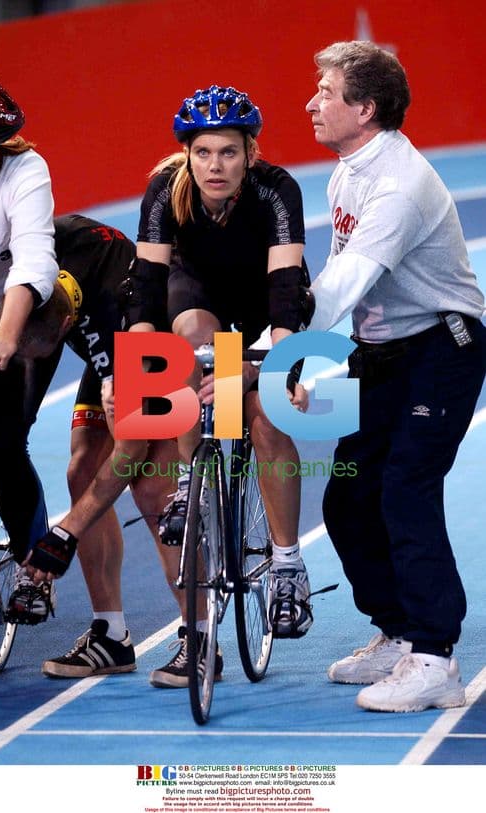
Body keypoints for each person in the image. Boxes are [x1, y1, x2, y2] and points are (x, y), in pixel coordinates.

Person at [26, 85, 315, 687]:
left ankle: (288, 565)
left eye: (229, 152)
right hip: (196, 299)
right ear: (187, 154)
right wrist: (133, 373)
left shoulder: (276, 190)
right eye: (203, 152)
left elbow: (287, 287)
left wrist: (283, 366)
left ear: (250, 152)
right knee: (186, 336)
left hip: (260, 305)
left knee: (265, 419)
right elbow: (146, 288)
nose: (215, 165)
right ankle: (191, 484)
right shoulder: (166, 189)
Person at [305, 41, 486, 712]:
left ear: (365, 108)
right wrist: (303, 351)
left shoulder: (399, 185)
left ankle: (435, 659)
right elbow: (336, 273)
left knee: (406, 487)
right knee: (348, 496)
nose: (311, 103)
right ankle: (399, 631)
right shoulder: (346, 173)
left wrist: (277, 348)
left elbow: (349, 280)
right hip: (381, 352)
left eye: (326, 92)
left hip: (442, 348)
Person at [2, 213, 178, 678]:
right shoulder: (21, 277)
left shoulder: (119, 314)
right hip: (59, 303)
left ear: (64, 329)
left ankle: (200, 638)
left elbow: (130, 452)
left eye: (36, 355)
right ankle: (111, 637)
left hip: (151, 340)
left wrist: (65, 533)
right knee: (76, 469)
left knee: (152, 489)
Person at [0, 75, 58, 618]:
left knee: (2, 442)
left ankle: (36, 566)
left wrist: (6, 337)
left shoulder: (25, 170)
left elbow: (33, 260)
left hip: (16, 308)